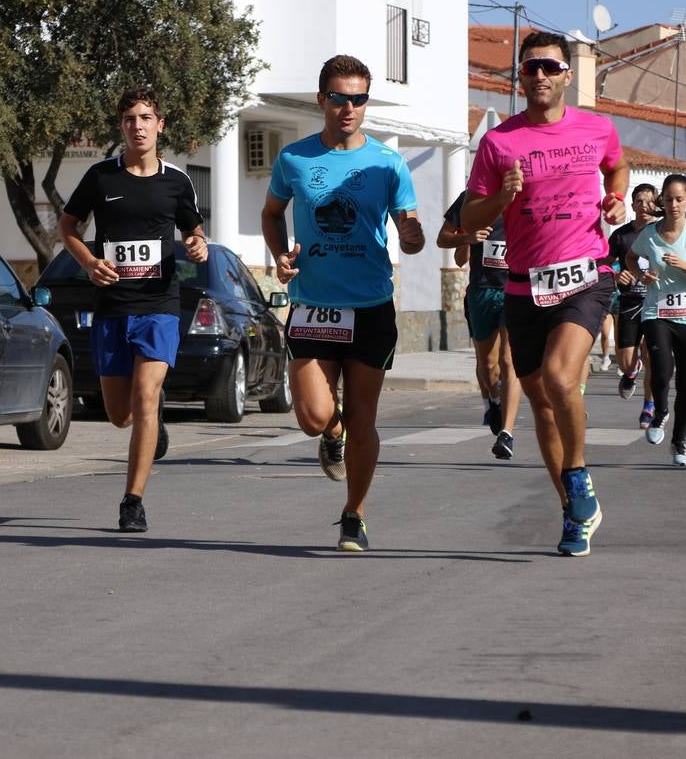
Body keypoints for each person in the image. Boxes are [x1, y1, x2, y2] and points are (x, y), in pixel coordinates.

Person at [462, 30, 628, 557]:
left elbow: (616, 166)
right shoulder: (498, 143)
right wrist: (501, 199)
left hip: (586, 273)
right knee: (539, 400)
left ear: (567, 75)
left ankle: (578, 474)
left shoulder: (597, 128)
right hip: (523, 284)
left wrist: (617, 198)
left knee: (560, 378)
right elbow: (469, 217)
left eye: (549, 67)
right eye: (530, 67)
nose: (538, 76)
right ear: (520, 75)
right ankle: (573, 513)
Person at [261, 54, 425, 552]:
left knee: (364, 416)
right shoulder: (294, 159)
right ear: (321, 100)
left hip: (370, 305)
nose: (348, 107)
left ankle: (354, 514)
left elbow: (410, 231)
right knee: (313, 415)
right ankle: (331, 436)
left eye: (358, 98)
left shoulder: (387, 162)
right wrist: (279, 256)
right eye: (338, 97)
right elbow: (272, 214)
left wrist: (415, 236)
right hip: (312, 303)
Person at [59, 85, 207, 533]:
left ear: (159, 125)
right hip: (112, 308)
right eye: (130, 118)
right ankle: (152, 421)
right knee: (120, 414)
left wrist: (197, 246)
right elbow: (68, 227)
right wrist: (88, 262)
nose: (138, 126)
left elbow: (195, 232)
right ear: (121, 126)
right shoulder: (101, 177)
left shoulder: (177, 181)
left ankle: (132, 501)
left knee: (144, 397)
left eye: (146, 118)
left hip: (159, 306)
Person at [627, 174, 686, 467]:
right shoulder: (649, 233)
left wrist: (685, 266)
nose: (674, 204)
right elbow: (631, 257)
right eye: (669, 199)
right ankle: (660, 411)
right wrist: (641, 274)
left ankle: (679, 443)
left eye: (680, 199)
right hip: (657, 312)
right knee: (662, 373)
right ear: (661, 201)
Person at [438, 193, 522, 459]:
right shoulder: (470, 199)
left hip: (517, 289)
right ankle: (493, 400)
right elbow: (443, 238)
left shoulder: (526, 197)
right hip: (482, 290)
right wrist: (467, 238)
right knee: (487, 365)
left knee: (510, 361)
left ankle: (506, 433)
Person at [608, 184, 658, 426]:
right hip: (629, 301)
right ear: (632, 204)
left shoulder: (663, 231)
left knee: (652, 356)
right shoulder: (620, 235)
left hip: (656, 303)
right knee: (626, 360)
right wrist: (616, 276)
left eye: (650, 201)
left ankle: (649, 406)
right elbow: (602, 265)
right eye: (639, 201)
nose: (645, 206)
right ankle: (631, 370)